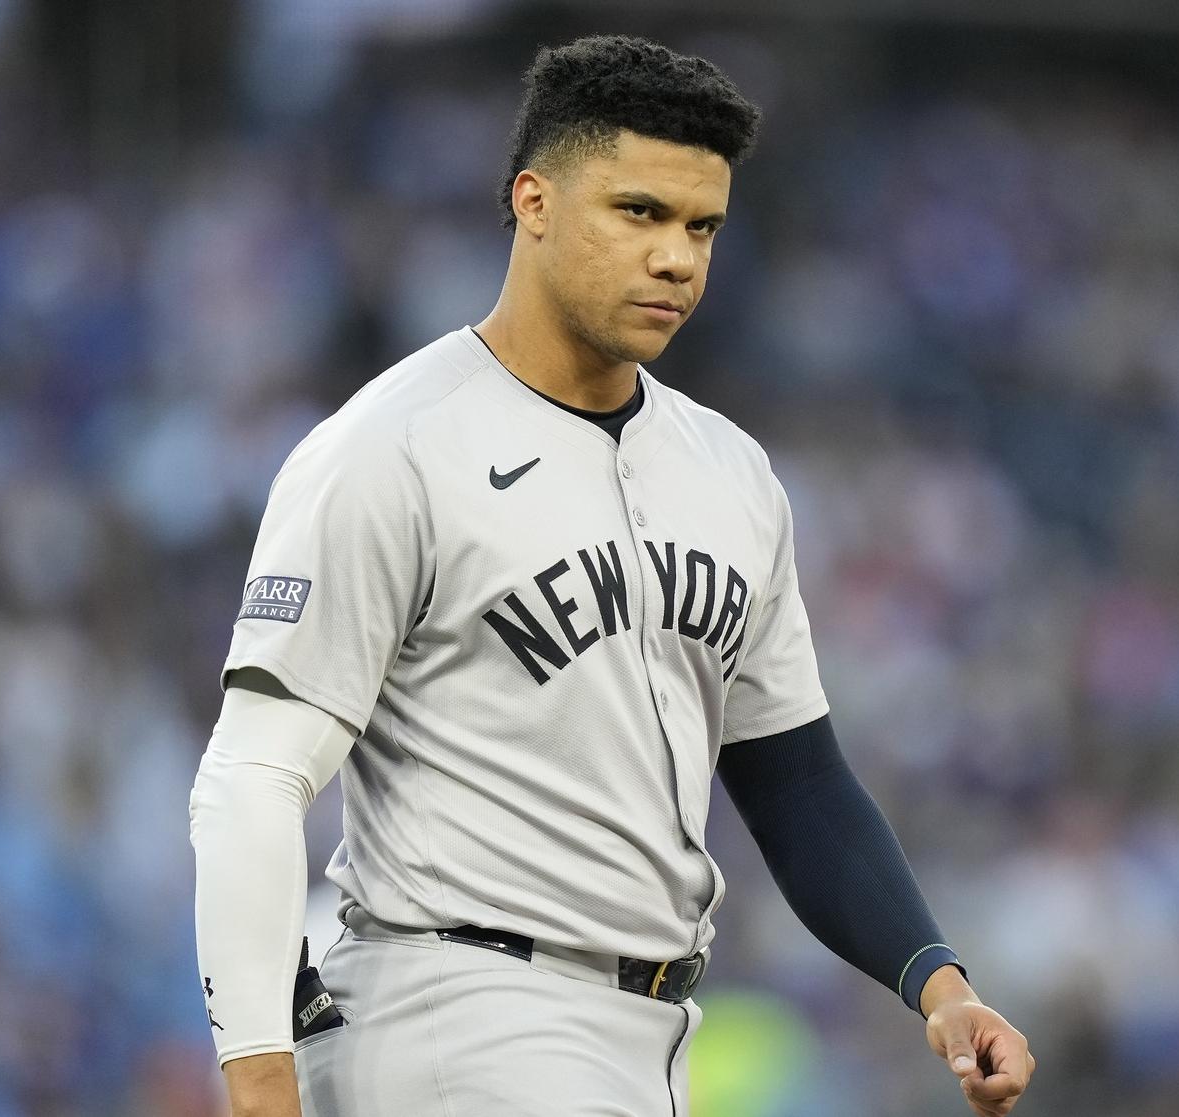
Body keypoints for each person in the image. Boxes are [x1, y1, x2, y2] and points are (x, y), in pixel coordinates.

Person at [188, 32, 1034, 1117]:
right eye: (638, 212)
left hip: (652, 1038)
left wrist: (938, 982)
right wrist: (259, 1081)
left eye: (702, 226)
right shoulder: (391, 447)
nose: (678, 258)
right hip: (455, 1010)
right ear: (533, 201)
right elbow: (252, 782)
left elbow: (795, 778)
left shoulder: (729, 473)